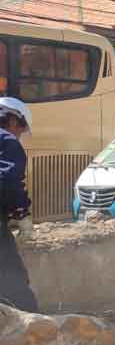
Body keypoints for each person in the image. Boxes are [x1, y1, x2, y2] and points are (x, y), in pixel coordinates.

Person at [0, 97, 38, 313]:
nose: (19, 135)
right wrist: (22, 213)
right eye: (21, 130)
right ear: (14, 120)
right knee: (13, 280)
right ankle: (38, 333)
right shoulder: (7, 141)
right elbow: (7, 181)